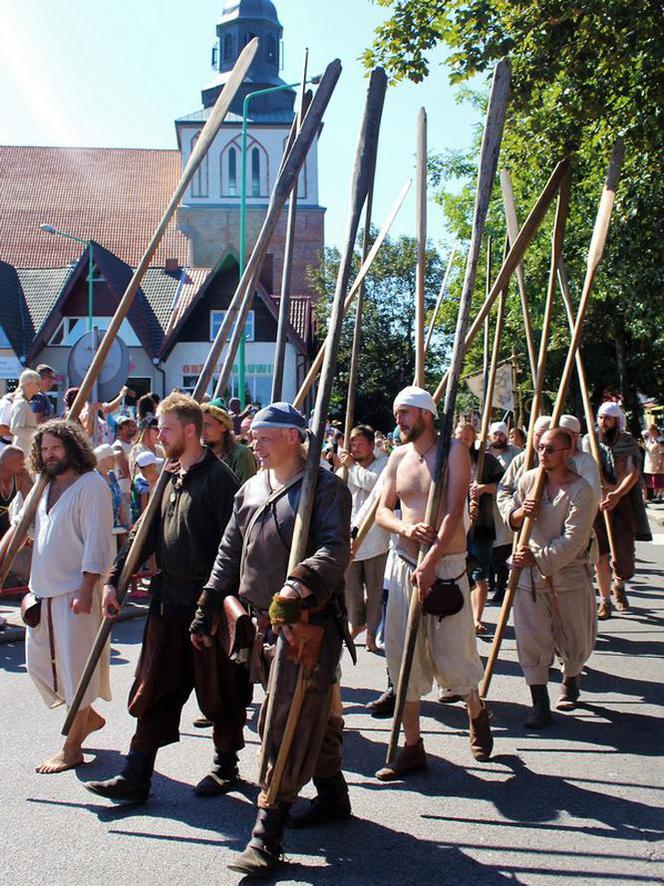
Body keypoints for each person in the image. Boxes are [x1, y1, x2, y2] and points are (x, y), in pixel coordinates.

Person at [193, 402, 352, 877]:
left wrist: (299, 582)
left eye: (262, 436)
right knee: (310, 713)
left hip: (304, 624)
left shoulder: (325, 487)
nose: (253, 443)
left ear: (290, 437)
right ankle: (333, 795)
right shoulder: (250, 488)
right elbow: (229, 550)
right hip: (261, 624)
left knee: (281, 722)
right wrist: (209, 602)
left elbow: (334, 547)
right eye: (252, 436)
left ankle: (267, 832)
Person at [84, 393, 247, 804]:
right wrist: (113, 579)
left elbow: (234, 549)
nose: (158, 435)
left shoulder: (218, 479)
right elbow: (143, 534)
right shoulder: (170, 478)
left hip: (206, 604)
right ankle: (136, 776)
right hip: (166, 601)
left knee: (220, 690)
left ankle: (226, 766)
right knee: (153, 687)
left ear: (190, 431)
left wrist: (215, 605)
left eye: (167, 428)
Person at [374, 386, 492, 781]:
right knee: (401, 656)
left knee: (452, 653)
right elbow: (382, 512)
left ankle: (475, 707)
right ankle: (412, 746)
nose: (399, 420)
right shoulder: (397, 457)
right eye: (396, 413)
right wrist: (405, 526)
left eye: (405, 412)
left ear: (426, 414)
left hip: (445, 566)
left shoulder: (454, 450)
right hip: (403, 562)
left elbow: (455, 510)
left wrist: (433, 561)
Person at [18, 420, 114, 772]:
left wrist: (88, 589)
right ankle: (86, 718)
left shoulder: (91, 486)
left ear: (72, 447)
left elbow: (98, 542)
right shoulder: (43, 487)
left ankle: (72, 747)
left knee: (76, 672)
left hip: (76, 592)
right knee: (41, 667)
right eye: (43, 449)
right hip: (42, 591)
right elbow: (24, 527)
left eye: (55, 447)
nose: (49, 454)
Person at [508, 428, 597, 727]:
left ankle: (571, 676)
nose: (543, 454)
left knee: (575, 636)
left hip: (568, 574)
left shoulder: (581, 490)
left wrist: (539, 557)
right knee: (531, 637)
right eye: (541, 448)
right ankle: (539, 702)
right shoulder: (529, 480)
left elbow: (574, 540)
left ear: (567, 452)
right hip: (529, 576)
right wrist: (518, 515)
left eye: (551, 449)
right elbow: (513, 516)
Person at [588, 402, 651, 618]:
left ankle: (619, 583)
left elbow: (633, 473)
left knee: (622, 557)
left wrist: (617, 494)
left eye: (608, 418)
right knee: (601, 554)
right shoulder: (590, 441)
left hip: (622, 503)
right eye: (601, 417)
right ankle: (605, 600)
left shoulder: (627, 441)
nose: (603, 422)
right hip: (597, 503)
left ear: (617, 420)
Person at [337, 424, 389, 652]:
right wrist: (343, 469)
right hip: (349, 539)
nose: (355, 448)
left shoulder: (384, 464)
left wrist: (351, 467)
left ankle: (371, 634)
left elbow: (375, 486)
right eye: (352, 444)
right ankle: (356, 623)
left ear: (371, 444)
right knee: (351, 589)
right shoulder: (348, 468)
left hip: (376, 540)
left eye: (360, 443)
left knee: (375, 590)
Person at [455, 422, 504, 635]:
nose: (463, 441)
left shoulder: (487, 461)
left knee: (479, 573)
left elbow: (505, 486)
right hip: (454, 525)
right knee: (456, 571)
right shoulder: (446, 459)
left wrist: (484, 488)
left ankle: (476, 618)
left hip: (481, 524)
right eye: (460, 437)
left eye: (467, 438)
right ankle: (458, 615)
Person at [200, 398, 257, 485]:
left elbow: (245, 493)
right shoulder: (199, 457)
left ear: (224, 426)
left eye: (207, 425)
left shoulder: (241, 454)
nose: (202, 431)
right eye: (200, 426)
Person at [0, 445, 32, 538]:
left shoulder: (20, 476)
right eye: (20, 461)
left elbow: (32, 500)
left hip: (3, 523)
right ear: (8, 463)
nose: (23, 465)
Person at [94, 443, 127, 531]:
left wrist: (126, 524)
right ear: (102, 460)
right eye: (111, 458)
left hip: (114, 527)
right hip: (100, 528)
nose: (115, 460)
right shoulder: (95, 479)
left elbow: (119, 503)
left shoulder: (112, 475)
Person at [112, 415, 136, 523]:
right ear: (119, 430)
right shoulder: (118, 446)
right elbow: (126, 470)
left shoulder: (132, 445)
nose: (130, 428)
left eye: (131, 425)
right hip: (125, 490)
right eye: (126, 426)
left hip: (133, 488)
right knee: (126, 522)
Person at [10, 369, 41, 455]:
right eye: (37, 383)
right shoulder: (21, 403)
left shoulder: (23, 402)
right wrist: (36, 435)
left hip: (25, 449)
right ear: (28, 385)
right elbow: (15, 429)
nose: (39, 387)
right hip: (23, 450)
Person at [643, 424, 664, 502]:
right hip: (650, 464)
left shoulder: (660, 439)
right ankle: (656, 495)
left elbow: (662, 452)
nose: (649, 433)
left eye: (650, 431)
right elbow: (647, 449)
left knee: (659, 480)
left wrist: (660, 463)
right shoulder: (649, 439)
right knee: (652, 481)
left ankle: (659, 495)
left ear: (654, 431)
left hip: (658, 463)